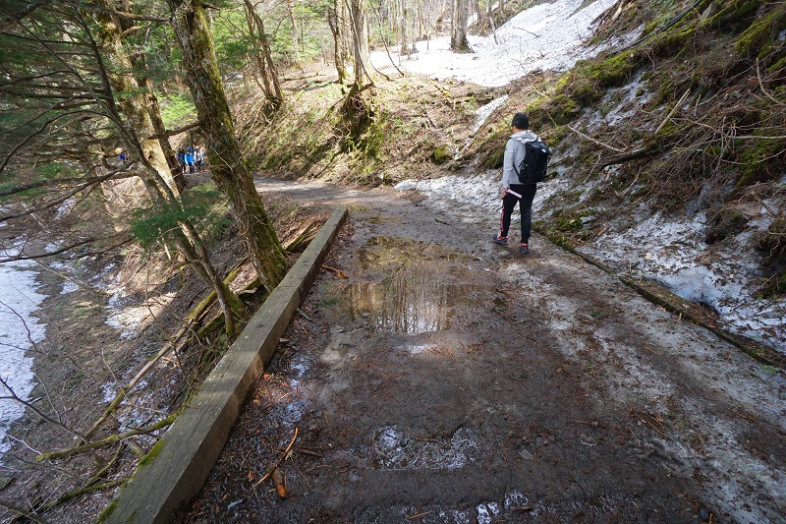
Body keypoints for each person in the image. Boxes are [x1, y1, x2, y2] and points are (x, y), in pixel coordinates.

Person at [494, 113, 540, 254]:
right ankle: (524, 243)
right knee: (526, 213)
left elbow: (507, 166)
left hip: (514, 185)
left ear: (514, 126)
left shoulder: (512, 142)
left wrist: (505, 186)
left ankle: (503, 236)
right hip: (531, 184)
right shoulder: (536, 139)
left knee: (507, 211)